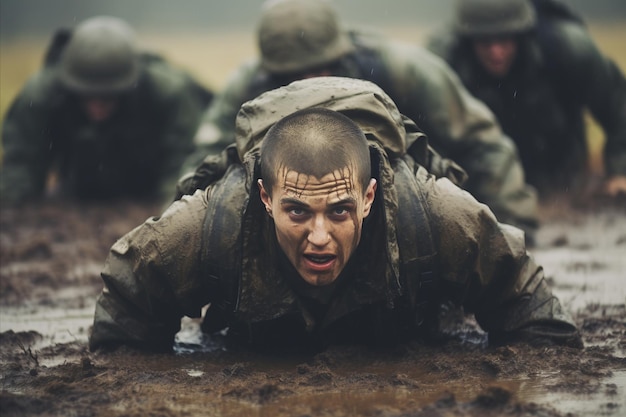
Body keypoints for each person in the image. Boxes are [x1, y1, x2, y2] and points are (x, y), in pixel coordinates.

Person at [89, 77, 582, 353]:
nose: (319, 237)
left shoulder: (438, 219)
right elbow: (125, 313)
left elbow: (538, 322)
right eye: (297, 212)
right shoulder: (206, 228)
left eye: (340, 210)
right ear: (264, 198)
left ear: (368, 198)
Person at [180, 0, 539, 236]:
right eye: (296, 74)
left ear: (341, 55)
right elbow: (207, 158)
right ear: (273, 71)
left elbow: (481, 138)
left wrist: (512, 225)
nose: (311, 83)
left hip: (412, 181)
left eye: (321, 69)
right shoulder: (249, 86)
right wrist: (185, 227)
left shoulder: (401, 68)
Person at [0, 16, 213, 204]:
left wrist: (169, 208)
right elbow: (20, 166)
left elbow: (184, 166)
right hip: (79, 193)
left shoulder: (169, 92)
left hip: (148, 189)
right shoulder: (42, 95)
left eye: (108, 95)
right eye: (88, 94)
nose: (98, 104)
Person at [426, 0, 626, 195]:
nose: (496, 52)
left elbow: (618, 102)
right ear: (467, 39)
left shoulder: (566, 47)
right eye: (485, 41)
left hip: (563, 183)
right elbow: (423, 129)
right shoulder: (442, 62)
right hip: (483, 187)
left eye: (504, 38)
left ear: (521, 34)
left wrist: (620, 169)